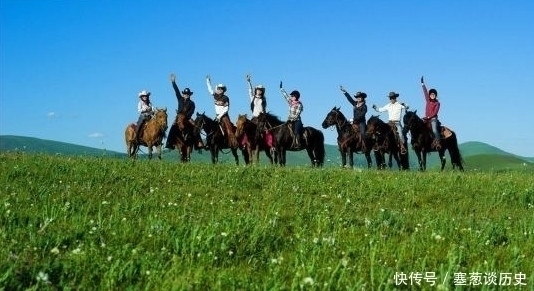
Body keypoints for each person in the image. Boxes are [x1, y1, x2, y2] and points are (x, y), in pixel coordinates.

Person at [165, 73, 204, 150]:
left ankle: (198, 143)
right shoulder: (180, 99)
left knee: (195, 127)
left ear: (190, 95)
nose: (186, 95)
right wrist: (173, 82)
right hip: (179, 117)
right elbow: (176, 91)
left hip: (187, 117)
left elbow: (192, 111)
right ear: (183, 94)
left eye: (188, 94)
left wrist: (186, 116)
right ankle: (169, 143)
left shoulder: (192, 103)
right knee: (172, 127)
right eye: (185, 94)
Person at [206, 75, 238, 148]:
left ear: (224, 90)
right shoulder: (216, 96)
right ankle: (209, 143)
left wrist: (220, 116)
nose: (220, 90)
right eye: (219, 88)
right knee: (211, 128)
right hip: (217, 116)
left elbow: (226, 109)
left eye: (221, 89)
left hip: (224, 116)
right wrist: (208, 81)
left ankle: (233, 142)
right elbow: (210, 90)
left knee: (229, 129)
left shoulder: (226, 98)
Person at [340, 85, 368, 151]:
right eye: (357, 97)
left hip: (361, 122)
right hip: (354, 122)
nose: (358, 98)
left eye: (359, 97)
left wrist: (353, 119)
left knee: (363, 133)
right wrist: (345, 92)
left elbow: (361, 115)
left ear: (362, 98)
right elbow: (349, 99)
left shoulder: (365, 106)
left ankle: (365, 146)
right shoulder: (355, 103)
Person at [280, 81, 303, 149]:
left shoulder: (299, 104)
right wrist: (281, 89)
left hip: (297, 121)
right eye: (291, 96)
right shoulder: (290, 102)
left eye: (293, 96)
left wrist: (292, 119)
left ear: (296, 97)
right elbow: (286, 96)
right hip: (290, 120)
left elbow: (297, 114)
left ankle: (298, 144)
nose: (291, 97)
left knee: (296, 131)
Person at [421, 76, 442, 150]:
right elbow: (425, 92)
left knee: (434, 130)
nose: (432, 96)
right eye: (431, 94)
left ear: (435, 96)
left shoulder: (437, 103)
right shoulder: (428, 101)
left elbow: (435, 112)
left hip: (433, 119)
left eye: (433, 95)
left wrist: (429, 117)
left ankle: (438, 142)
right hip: (426, 119)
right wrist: (422, 84)